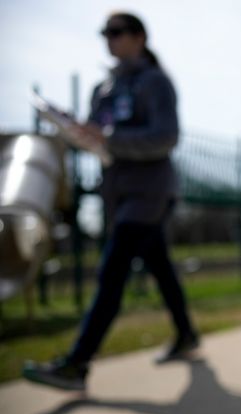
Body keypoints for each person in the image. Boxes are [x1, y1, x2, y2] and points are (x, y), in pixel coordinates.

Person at [23, 12, 199, 391]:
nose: (110, 40)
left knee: (112, 272)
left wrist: (110, 137)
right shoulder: (102, 89)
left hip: (150, 192)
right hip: (117, 194)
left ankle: (77, 364)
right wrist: (76, 130)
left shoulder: (155, 83)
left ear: (139, 38)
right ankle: (186, 335)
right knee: (161, 268)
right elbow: (98, 141)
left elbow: (166, 137)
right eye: (106, 34)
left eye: (117, 33)